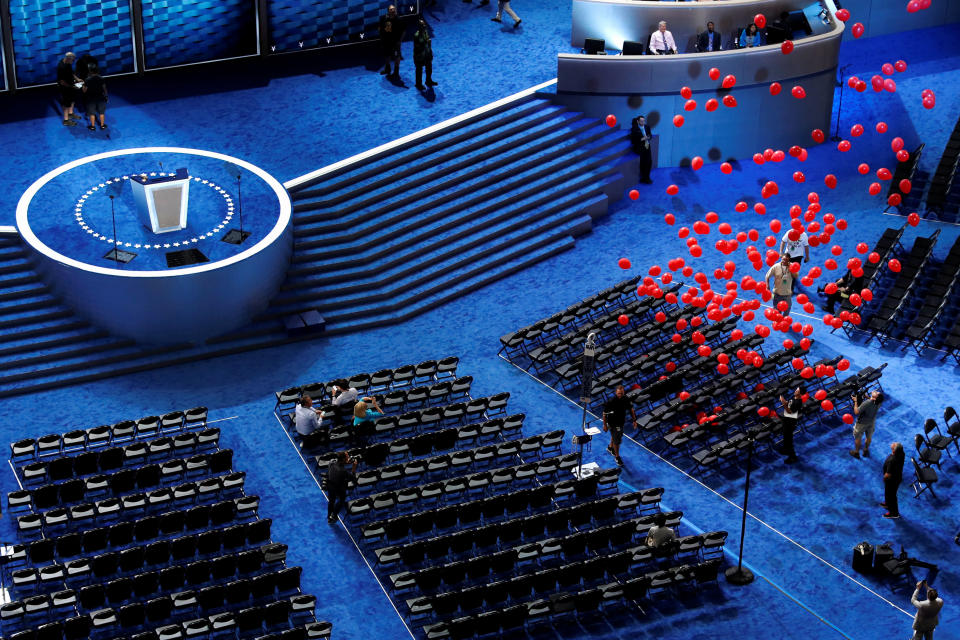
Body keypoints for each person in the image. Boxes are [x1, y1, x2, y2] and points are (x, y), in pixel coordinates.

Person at [602, 385, 637, 466]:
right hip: (612, 422)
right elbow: (604, 414)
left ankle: (610, 447)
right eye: (618, 393)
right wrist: (605, 425)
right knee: (617, 440)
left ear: (624, 392)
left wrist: (634, 420)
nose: (620, 395)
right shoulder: (611, 401)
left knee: (615, 436)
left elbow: (631, 409)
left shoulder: (626, 399)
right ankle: (617, 457)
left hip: (621, 422)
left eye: (621, 393)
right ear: (615, 392)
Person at [326, 451, 358, 523]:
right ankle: (334, 515)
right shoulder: (343, 471)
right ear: (343, 459)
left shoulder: (332, 462)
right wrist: (354, 468)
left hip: (330, 485)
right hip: (339, 488)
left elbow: (338, 465)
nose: (348, 458)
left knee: (331, 501)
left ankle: (329, 516)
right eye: (347, 457)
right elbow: (352, 478)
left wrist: (345, 463)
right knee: (341, 500)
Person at [850, 390, 882, 459]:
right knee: (869, 437)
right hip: (871, 422)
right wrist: (867, 397)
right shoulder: (879, 401)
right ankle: (865, 450)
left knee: (858, 438)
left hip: (861, 423)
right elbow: (872, 401)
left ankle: (856, 453)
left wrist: (855, 401)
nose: (876, 391)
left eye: (877, 393)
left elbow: (856, 412)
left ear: (875, 398)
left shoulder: (867, 403)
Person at [379, 5, 404, 78]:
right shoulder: (384, 18)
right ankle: (387, 69)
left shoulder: (399, 20)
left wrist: (400, 41)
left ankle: (396, 72)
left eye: (394, 9)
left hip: (395, 42)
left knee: (397, 56)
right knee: (387, 55)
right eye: (391, 9)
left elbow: (403, 31)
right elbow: (380, 27)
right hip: (386, 41)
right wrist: (381, 37)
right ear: (388, 11)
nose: (393, 11)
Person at [778, 386, 802, 464]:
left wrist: (783, 402)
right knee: (785, 438)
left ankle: (793, 457)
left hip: (790, 422)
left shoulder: (797, 402)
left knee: (789, 440)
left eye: (797, 391)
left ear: (800, 394)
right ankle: (785, 450)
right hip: (787, 420)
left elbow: (789, 411)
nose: (795, 391)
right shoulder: (793, 398)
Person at [82, 63, 108, 131]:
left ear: (90, 71)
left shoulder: (87, 79)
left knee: (91, 113)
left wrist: (82, 86)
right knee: (101, 112)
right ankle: (102, 125)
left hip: (90, 99)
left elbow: (84, 91)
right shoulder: (101, 78)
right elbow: (104, 88)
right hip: (100, 98)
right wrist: (106, 96)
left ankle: (93, 126)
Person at [881, 442, 904, 519]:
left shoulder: (892, 460)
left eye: (894, 445)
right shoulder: (902, 453)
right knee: (888, 493)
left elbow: (888, 474)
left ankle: (894, 513)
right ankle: (887, 503)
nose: (892, 443)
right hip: (898, 477)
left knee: (891, 496)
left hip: (891, 480)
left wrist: (884, 479)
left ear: (894, 451)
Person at [413, 18, 437, 91]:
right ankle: (418, 84)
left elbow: (428, 43)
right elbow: (417, 47)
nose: (424, 26)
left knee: (429, 68)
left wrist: (430, 52)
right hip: (419, 56)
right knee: (419, 70)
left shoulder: (425, 32)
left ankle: (428, 81)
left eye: (424, 25)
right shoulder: (416, 35)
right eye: (422, 25)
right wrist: (426, 43)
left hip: (427, 54)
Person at [57, 52, 80, 127]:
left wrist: (77, 79)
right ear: (68, 59)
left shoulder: (67, 63)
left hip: (70, 85)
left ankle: (71, 113)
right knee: (66, 103)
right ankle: (66, 120)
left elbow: (71, 73)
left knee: (72, 99)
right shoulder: (61, 67)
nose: (73, 62)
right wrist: (72, 86)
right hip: (65, 88)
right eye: (72, 60)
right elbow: (62, 82)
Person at [631, 115, 653, 184]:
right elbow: (633, 140)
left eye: (644, 120)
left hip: (647, 146)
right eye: (641, 121)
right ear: (638, 121)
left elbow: (650, 135)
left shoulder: (647, 127)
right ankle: (644, 178)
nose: (643, 122)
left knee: (649, 162)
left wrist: (648, 137)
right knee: (644, 163)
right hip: (640, 147)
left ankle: (647, 177)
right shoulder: (634, 129)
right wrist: (642, 139)